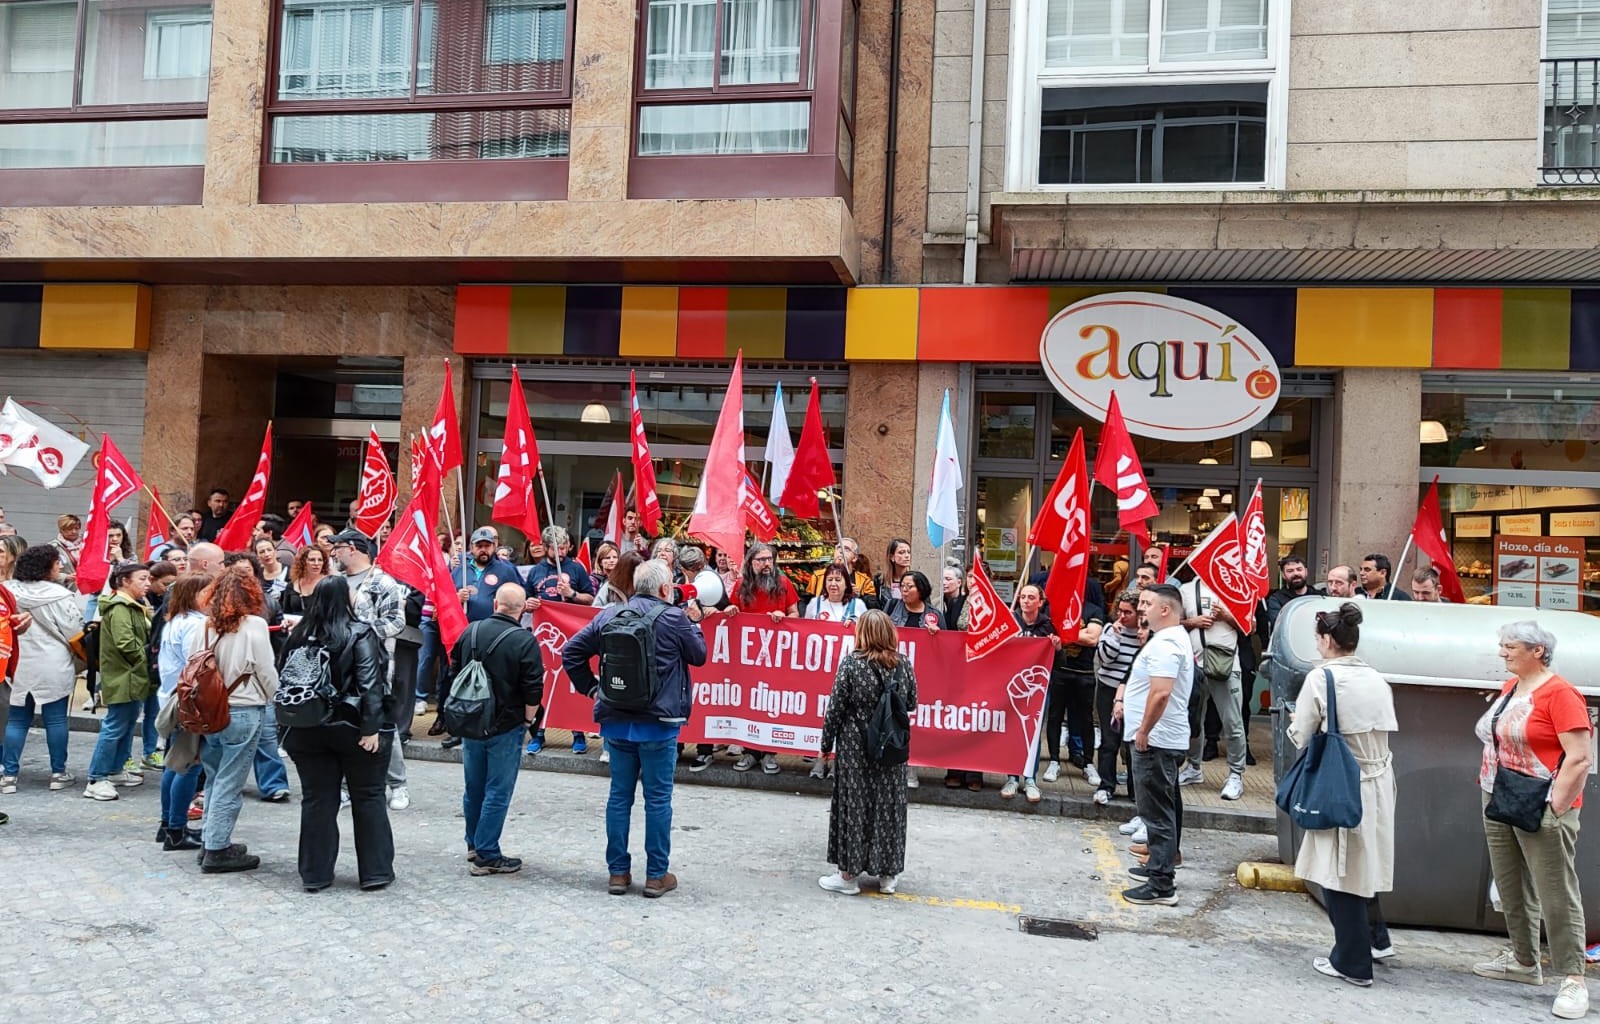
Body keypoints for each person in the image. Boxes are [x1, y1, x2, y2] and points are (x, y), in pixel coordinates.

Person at [563, 559, 708, 898]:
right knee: (657, 800)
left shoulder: (608, 615)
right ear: (665, 589)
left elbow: (571, 652)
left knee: (619, 797)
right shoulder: (674, 617)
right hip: (659, 724)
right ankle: (656, 875)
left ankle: (617, 872)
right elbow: (699, 655)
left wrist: (593, 689)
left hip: (616, 720)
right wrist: (694, 622)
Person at [1472, 621, 1592, 1019]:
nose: (1502, 652)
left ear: (1537, 651)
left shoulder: (1561, 694)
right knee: (1510, 882)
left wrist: (1556, 806)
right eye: (1502, 645)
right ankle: (1524, 961)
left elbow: (1580, 757)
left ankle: (1573, 979)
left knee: (1555, 889)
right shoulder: (1512, 686)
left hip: (1541, 801)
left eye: (1510, 646)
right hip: (1500, 793)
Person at [1288, 602, 1398, 988]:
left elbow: (1301, 733)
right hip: (1380, 779)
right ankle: (1377, 939)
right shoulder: (1377, 678)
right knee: (1363, 861)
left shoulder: (1322, 678)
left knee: (1339, 869)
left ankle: (1352, 961)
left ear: (1327, 640)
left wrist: (1296, 722)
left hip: (1342, 782)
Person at [279, 576, 396, 892]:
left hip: (306, 726)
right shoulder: (359, 632)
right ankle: (375, 871)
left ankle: (314, 874)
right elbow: (370, 684)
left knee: (317, 800)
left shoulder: (298, 635)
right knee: (368, 796)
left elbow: (283, 678)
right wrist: (371, 728)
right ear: (345, 598)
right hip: (352, 725)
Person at [444, 583, 545, 876]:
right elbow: (533, 688)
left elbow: (453, 671)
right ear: (522, 609)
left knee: (474, 786)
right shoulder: (524, 640)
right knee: (498, 790)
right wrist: (528, 721)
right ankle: (487, 854)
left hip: (471, 720)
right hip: (506, 723)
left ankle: (473, 843)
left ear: (495, 604)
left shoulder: (471, 631)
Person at [817, 609, 917, 896]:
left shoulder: (851, 664)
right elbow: (912, 701)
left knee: (854, 805)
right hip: (891, 745)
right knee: (889, 807)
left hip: (855, 745)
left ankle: (848, 875)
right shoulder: (903, 664)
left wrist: (826, 745)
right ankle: (887, 875)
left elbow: (835, 708)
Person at [192, 571, 278, 873]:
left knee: (214, 776)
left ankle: (209, 840)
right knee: (230, 781)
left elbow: (193, 666)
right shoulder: (254, 625)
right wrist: (275, 697)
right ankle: (217, 848)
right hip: (244, 707)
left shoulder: (204, 626)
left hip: (209, 709)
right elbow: (265, 669)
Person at [1117, 584, 1193, 907]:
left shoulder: (1167, 643)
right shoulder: (1168, 639)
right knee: (1162, 807)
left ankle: (1162, 884)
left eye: (1148, 604)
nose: (1141, 608)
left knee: (1157, 812)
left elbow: (1161, 693)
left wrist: (1144, 730)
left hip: (1156, 740)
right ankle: (1158, 868)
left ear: (1165, 609)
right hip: (1160, 738)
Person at [330, 529, 410, 811]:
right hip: (340, 666)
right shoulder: (336, 582)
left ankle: (397, 784)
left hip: (374, 663)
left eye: (338, 548)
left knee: (382, 721)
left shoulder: (382, 581)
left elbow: (396, 621)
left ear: (352, 548)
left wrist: (361, 636)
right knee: (344, 720)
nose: (334, 553)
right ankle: (346, 786)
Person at [2, 545, 80, 795]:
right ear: (46, 567)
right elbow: (74, 631)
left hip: (17, 661)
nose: (60, 567)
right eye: (57, 563)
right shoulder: (61, 595)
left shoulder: (7, 591)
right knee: (56, 719)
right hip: (52, 662)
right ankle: (58, 773)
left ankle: (8, 775)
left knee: (17, 719)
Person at [724, 542, 800, 774]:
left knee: (771, 705)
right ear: (751, 563)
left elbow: (795, 614)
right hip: (747, 659)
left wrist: (783, 617)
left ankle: (769, 753)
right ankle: (750, 752)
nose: (767, 564)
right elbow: (731, 612)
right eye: (761, 560)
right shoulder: (740, 585)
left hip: (776, 659)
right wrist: (730, 612)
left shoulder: (784, 583)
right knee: (749, 705)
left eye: (769, 559)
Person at [82, 562, 154, 801]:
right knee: (114, 726)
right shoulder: (121, 607)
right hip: (125, 676)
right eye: (142, 578)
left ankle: (115, 769)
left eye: (148, 579)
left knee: (126, 724)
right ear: (124, 581)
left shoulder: (133, 605)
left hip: (132, 676)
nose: (147, 583)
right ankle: (96, 778)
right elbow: (127, 644)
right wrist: (149, 657)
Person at [524, 524, 595, 755]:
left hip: (571, 636)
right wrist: (529, 604)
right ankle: (539, 733)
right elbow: (525, 600)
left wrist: (572, 594)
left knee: (572, 683)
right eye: (556, 548)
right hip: (544, 638)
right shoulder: (536, 571)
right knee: (543, 684)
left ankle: (578, 733)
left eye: (564, 547)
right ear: (546, 547)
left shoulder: (576, 569)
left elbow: (590, 599)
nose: (561, 552)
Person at [154, 572, 212, 851]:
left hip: (173, 696)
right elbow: (196, 665)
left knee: (175, 762)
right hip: (187, 701)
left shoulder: (177, 621)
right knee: (189, 765)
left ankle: (168, 824)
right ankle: (176, 828)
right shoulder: (195, 625)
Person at [1179, 575, 1247, 801]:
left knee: (1232, 722)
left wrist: (1226, 616)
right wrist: (1192, 622)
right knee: (1192, 720)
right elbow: (1173, 622)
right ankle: (1193, 767)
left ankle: (1236, 773)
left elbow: (1250, 626)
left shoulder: (1236, 586)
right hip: (1194, 663)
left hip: (1225, 664)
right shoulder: (1187, 589)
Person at [1004, 584, 1056, 803]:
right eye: (1023, 596)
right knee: (1013, 732)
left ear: (1040, 602)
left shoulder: (1047, 626)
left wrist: (1056, 646)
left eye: (1031, 597)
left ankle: (1030, 778)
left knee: (1032, 733)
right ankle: (1012, 777)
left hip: (1038, 690)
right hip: (1012, 685)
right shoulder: (1010, 621)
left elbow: (1057, 661)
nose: (1025, 600)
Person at [1092, 590, 1143, 807]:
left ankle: (1135, 789)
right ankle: (1106, 785)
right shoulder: (1109, 629)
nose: (1122, 616)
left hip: (1134, 693)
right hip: (1108, 688)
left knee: (1132, 742)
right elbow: (1104, 659)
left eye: (1128, 612)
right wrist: (1115, 636)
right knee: (1109, 739)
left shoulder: (1146, 633)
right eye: (1120, 611)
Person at [281, 544, 329, 616]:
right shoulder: (291, 585)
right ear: (303, 562)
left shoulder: (329, 584)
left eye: (320, 560)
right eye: (312, 560)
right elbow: (286, 613)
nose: (316, 563)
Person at [872, 538, 913, 606]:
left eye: (909, 552)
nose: (907, 556)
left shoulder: (916, 580)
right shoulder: (880, 580)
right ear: (892, 557)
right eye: (901, 552)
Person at [51, 514, 82, 593]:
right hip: (63, 590)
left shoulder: (87, 544)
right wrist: (65, 577)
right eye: (70, 529)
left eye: (76, 528)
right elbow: (45, 572)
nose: (74, 531)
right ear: (61, 530)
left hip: (86, 589)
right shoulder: (53, 547)